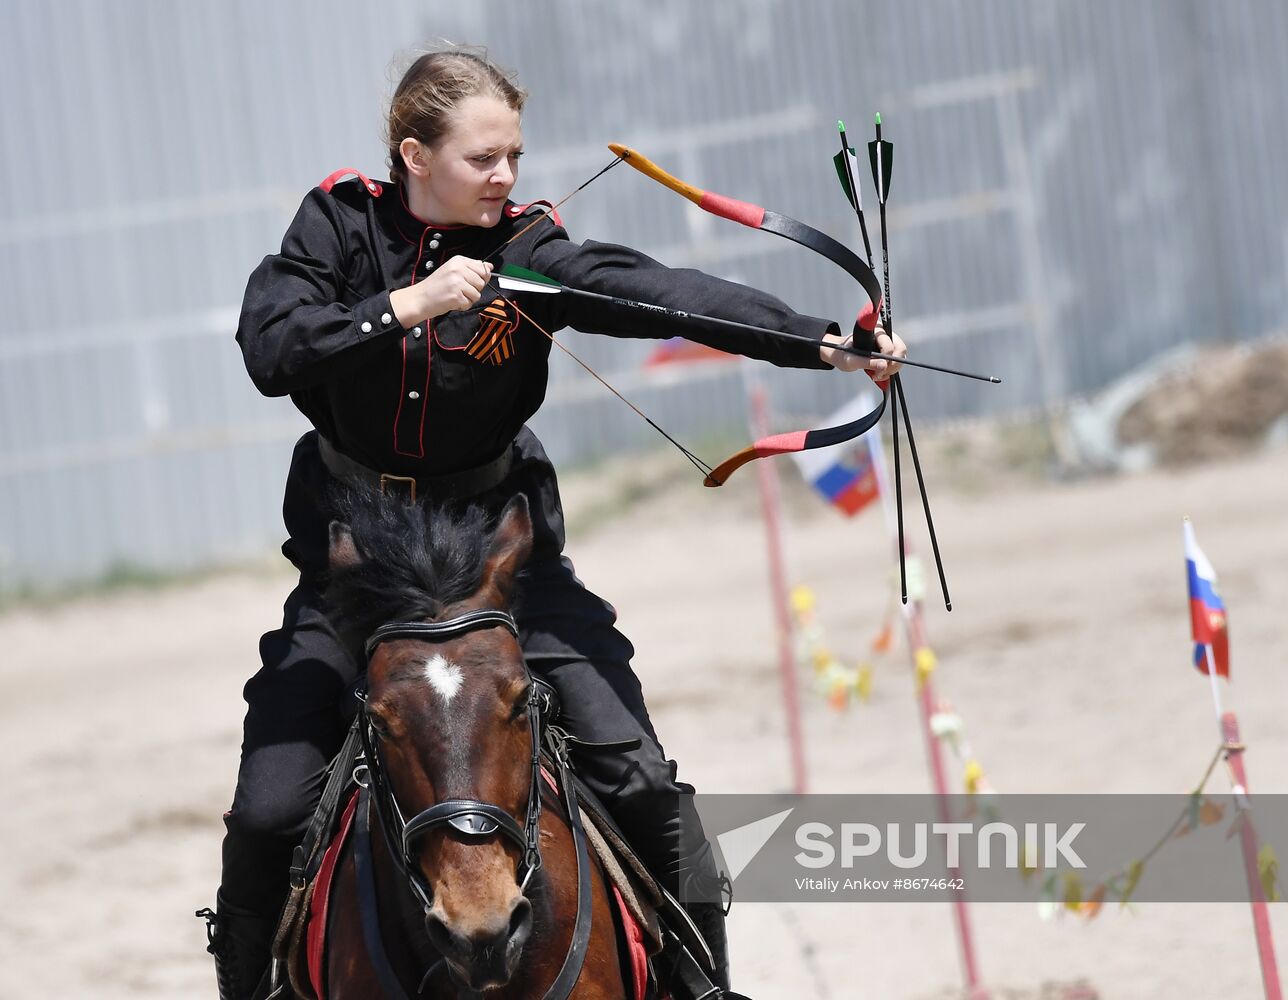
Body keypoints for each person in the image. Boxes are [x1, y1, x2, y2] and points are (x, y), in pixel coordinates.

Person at [205, 46, 905, 1000]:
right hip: (357, 575)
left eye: (513, 158)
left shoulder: (528, 246)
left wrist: (820, 342)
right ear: (415, 155)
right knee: (265, 812)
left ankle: (703, 985)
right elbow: (273, 346)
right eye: (482, 159)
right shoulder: (337, 223)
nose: (504, 178)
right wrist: (405, 305)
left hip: (505, 567)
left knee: (642, 780)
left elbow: (661, 293)